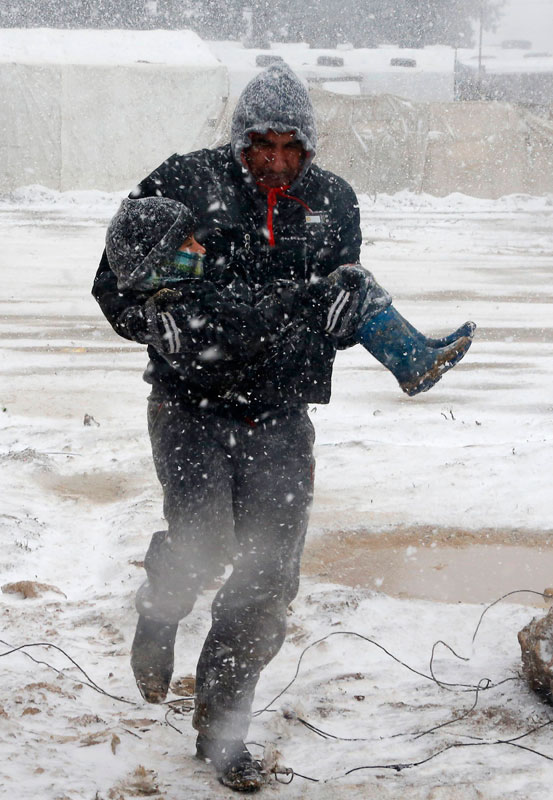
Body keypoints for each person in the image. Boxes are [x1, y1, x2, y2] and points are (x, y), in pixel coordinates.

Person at [92, 63, 475, 792]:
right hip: (192, 408)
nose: (272, 160)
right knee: (203, 546)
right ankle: (160, 607)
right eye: (258, 145)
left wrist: (335, 325)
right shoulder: (181, 181)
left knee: (267, 578)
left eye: (288, 146)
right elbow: (114, 282)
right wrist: (150, 318)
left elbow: (329, 309)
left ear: (308, 146)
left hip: (279, 414)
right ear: (237, 139)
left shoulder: (332, 202)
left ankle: (222, 728)